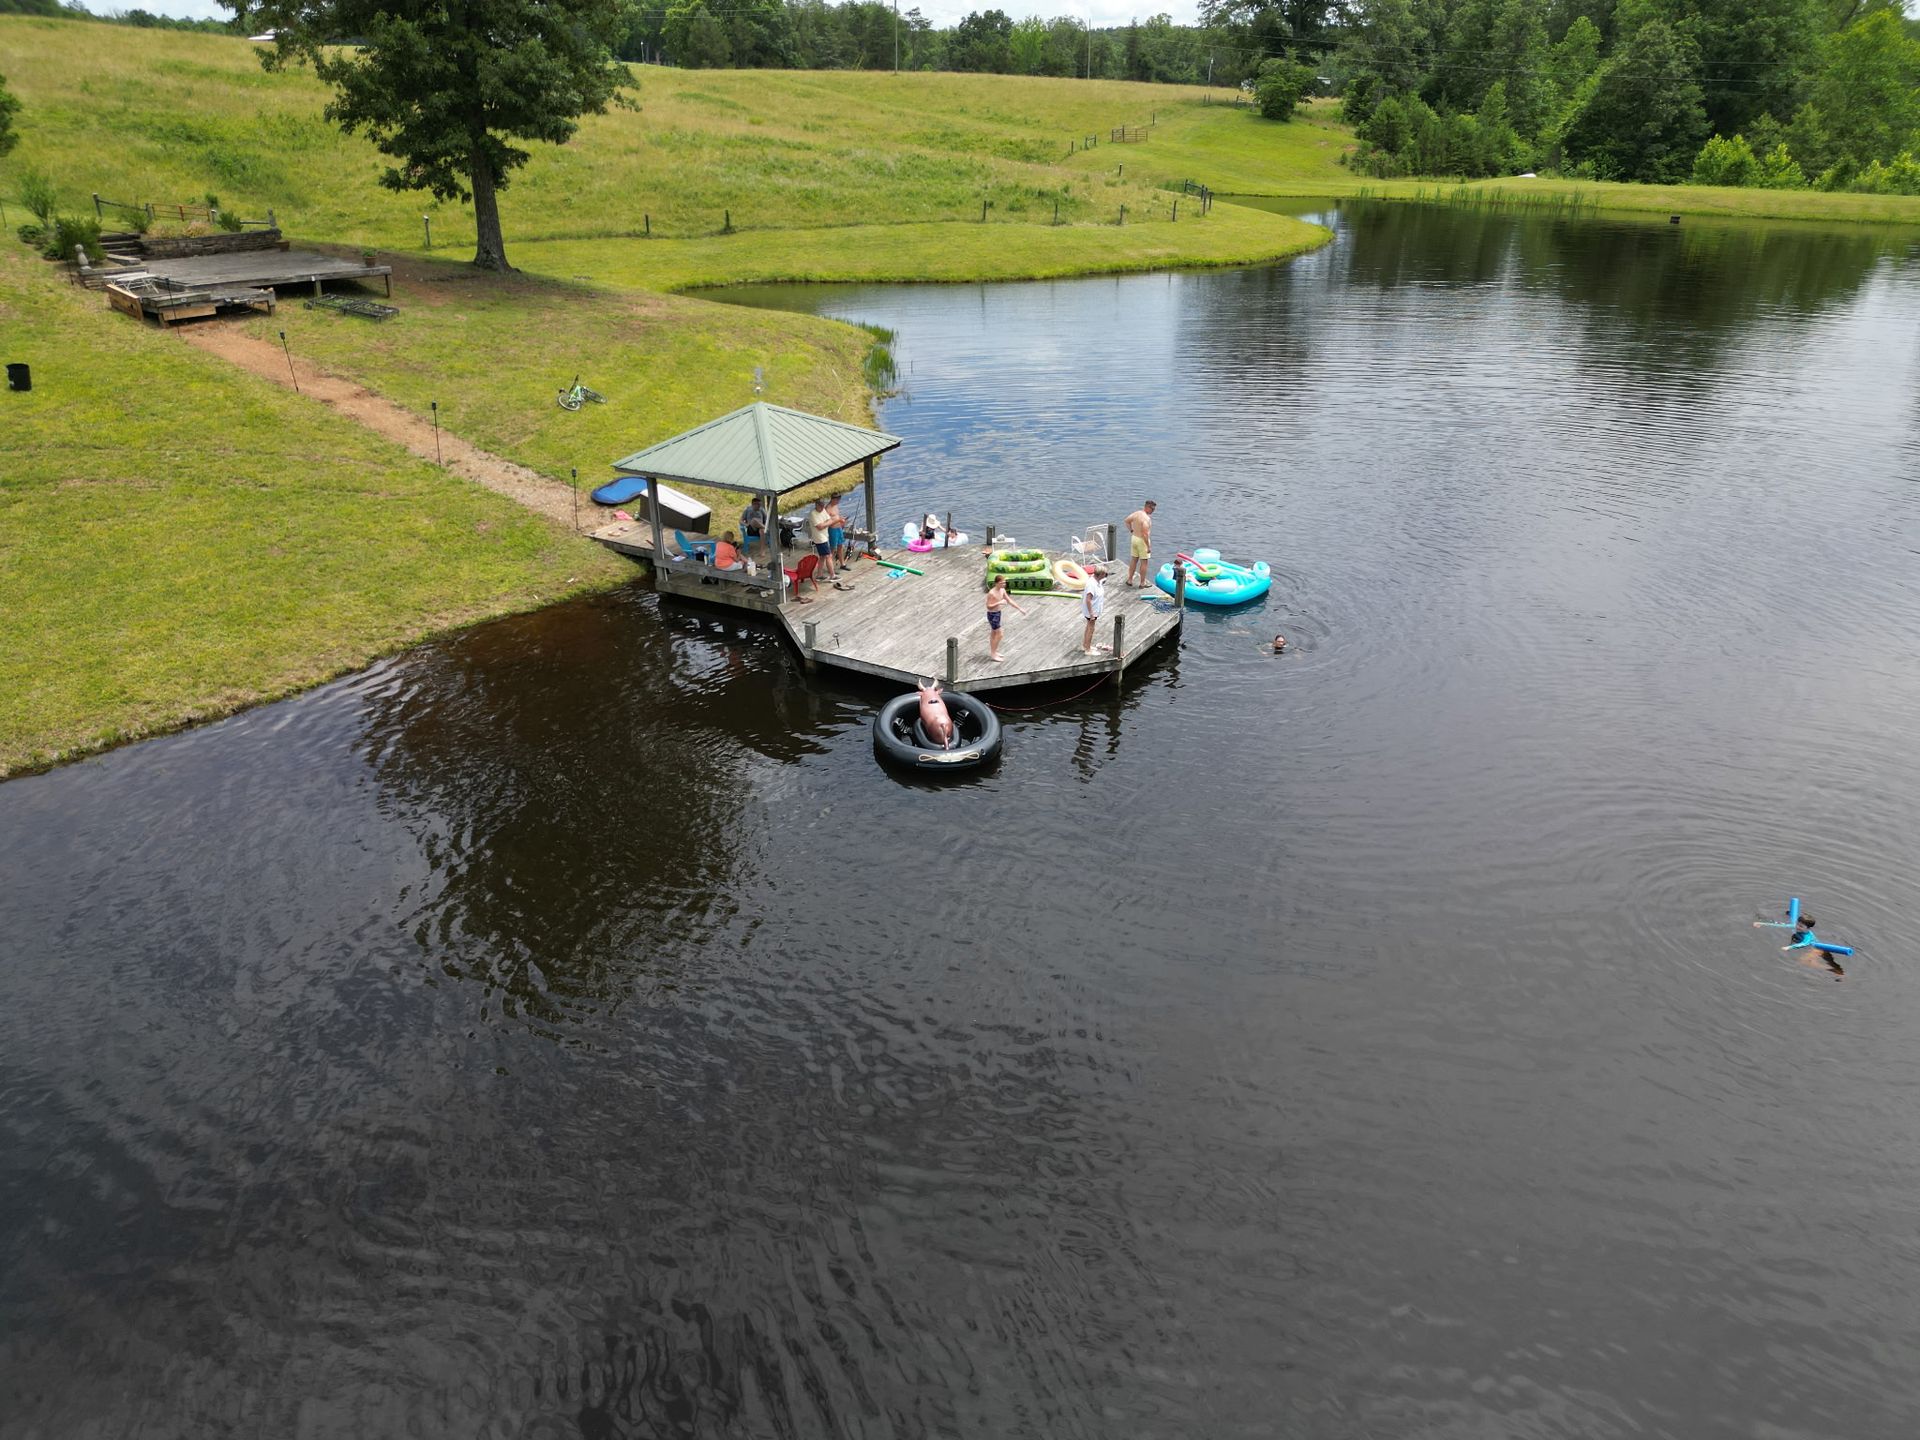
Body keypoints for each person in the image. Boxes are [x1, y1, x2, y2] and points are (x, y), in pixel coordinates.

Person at [985, 573, 1029, 662]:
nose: (1004, 584)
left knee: (994, 633)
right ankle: (993, 654)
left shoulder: (1002, 590)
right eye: (1002, 583)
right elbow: (988, 606)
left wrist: (1020, 609)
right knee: (1000, 634)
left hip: (998, 613)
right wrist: (999, 602)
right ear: (996, 583)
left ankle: (994, 651)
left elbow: (1009, 600)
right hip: (992, 615)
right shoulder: (992, 593)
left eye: (1004, 583)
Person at [1124, 500, 1157, 587]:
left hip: (1134, 538)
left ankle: (1130, 580)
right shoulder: (1146, 518)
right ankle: (1142, 583)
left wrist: (1131, 529)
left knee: (1134, 559)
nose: (1153, 511)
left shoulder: (1137, 513)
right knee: (1144, 562)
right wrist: (1148, 546)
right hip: (1142, 541)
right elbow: (1145, 534)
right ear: (1147, 507)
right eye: (1152, 509)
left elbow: (1127, 521)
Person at [1081, 568, 1110, 656]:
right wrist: (1091, 614)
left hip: (1094, 609)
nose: (1106, 575)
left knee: (1088, 627)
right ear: (1100, 574)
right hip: (1092, 610)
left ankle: (1085, 645)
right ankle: (1088, 649)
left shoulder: (1097, 581)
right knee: (1091, 629)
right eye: (1105, 574)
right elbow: (1088, 600)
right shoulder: (1091, 584)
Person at [807, 497, 836, 580]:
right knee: (828, 556)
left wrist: (825, 524)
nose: (822, 508)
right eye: (820, 506)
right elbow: (819, 527)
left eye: (823, 506)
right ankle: (832, 575)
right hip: (820, 539)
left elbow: (830, 520)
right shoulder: (813, 514)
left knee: (822, 556)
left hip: (825, 536)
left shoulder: (823, 510)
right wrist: (826, 523)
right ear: (816, 505)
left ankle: (819, 575)